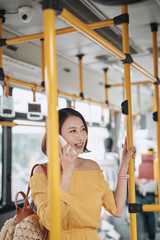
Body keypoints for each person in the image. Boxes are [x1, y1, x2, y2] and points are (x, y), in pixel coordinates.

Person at [29, 108, 135, 240]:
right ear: (56, 137)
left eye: (83, 129)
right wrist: (67, 173)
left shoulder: (92, 167)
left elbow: (117, 210)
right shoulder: (41, 172)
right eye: (73, 131)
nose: (81, 136)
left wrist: (123, 167)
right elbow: (50, 222)